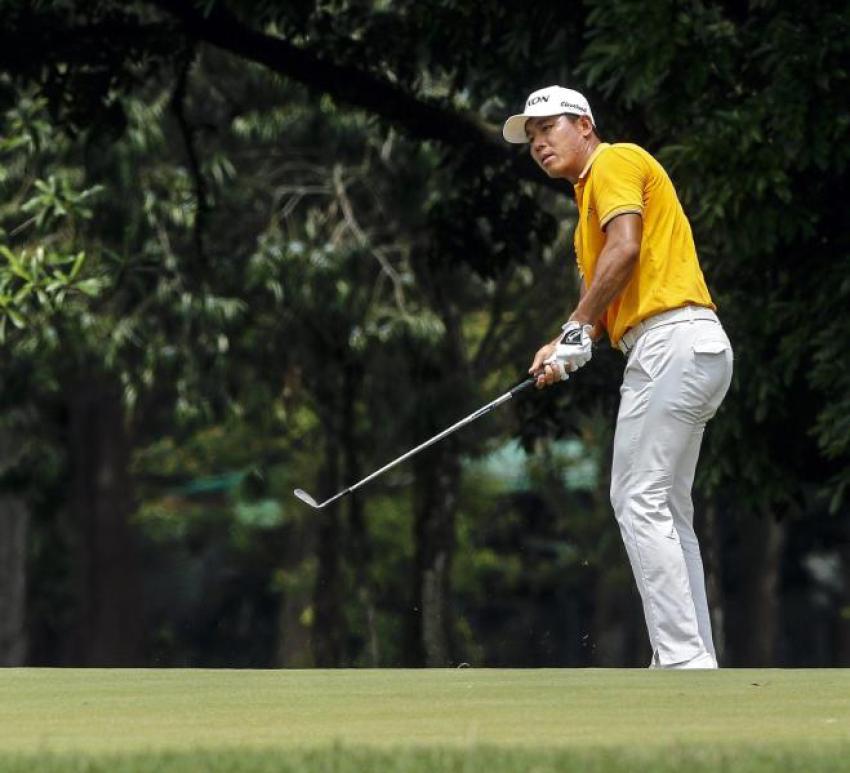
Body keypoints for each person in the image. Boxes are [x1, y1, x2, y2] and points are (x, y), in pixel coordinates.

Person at [503, 86, 733, 669]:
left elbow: (626, 248)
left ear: (584, 125)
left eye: (547, 128)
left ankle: (682, 660)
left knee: (638, 498)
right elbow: (605, 303)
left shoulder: (615, 160)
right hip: (684, 345)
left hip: (672, 340)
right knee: (663, 505)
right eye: (531, 139)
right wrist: (569, 345)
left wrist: (576, 324)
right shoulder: (584, 218)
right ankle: (691, 654)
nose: (539, 144)